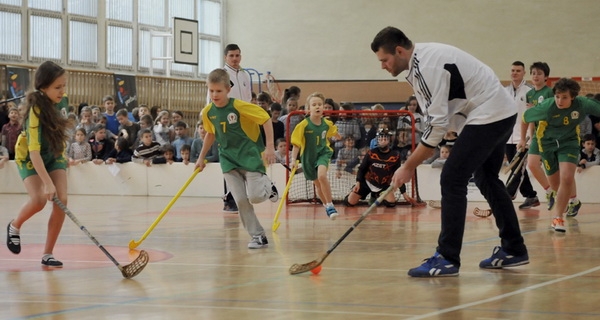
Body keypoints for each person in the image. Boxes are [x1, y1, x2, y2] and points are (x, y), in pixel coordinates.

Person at [371, 26, 529, 277]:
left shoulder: (426, 66)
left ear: (399, 51)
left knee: (452, 178)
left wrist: (408, 166)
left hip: (489, 114)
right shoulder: (420, 62)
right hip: (500, 111)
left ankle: (447, 258)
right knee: (486, 177)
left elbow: (435, 127)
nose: (383, 66)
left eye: (385, 60)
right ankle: (514, 249)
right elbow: (445, 111)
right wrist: (452, 130)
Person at [195, 68, 278, 249]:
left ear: (228, 90)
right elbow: (210, 133)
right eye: (211, 90)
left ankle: (268, 187)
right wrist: (201, 158)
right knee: (240, 200)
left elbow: (265, 118)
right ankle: (258, 235)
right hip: (228, 159)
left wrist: (270, 147)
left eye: (219, 91)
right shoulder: (208, 112)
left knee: (255, 197)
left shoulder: (239, 106)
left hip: (249, 156)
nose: (214, 94)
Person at [7, 61, 70, 267]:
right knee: (38, 200)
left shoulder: (63, 102)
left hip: (53, 154)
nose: (62, 91)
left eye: (63, 86)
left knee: (62, 199)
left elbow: (59, 132)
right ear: (43, 87)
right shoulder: (34, 111)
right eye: (57, 87)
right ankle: (15, 226)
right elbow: (34, 152)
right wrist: (47, 183)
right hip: (29, 156)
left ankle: (48, 254)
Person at [523, 78, 600, 231]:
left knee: (567, 177)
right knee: (556, 184)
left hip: (569, 143)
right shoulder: (547, 106)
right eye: (557, 96)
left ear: (573, 97)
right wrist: (522, 138)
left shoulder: (583, 104)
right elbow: (525, 118)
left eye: (564, 97)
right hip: (547, 144)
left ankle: (558, 218)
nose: (560, 100)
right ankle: (559, 197)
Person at [290, 92, 341, 220]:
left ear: (323, 107)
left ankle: (330, 204)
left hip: (323, 153)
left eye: (320, 104)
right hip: (308, 157)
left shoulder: (327, 123)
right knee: (317, 184)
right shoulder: (303, 125)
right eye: (314, 105)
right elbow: (296, 144)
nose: (317, 107)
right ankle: (326, 205)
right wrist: (293, 160)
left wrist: (339, 137)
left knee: (322, 176)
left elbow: (333, 132)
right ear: (308, 109)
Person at [344, 128, 416, 207]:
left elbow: (398, 175)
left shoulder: (395, 155)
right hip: (367, 183)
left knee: (391, 203)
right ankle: (355, 194)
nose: (382, 141)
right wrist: (358, 183)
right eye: (380, 139)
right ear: (377, 140)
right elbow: (362, 169)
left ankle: (377, 195)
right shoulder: (371, 153)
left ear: (389, 140)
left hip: (384, 186)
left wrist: (404, 193)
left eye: (385, 139)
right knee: (350, 203)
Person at [504, 61, 539, 209]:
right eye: (512, 70)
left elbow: (534, 114)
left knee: (517, 170)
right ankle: (531, 196)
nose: (514, 73)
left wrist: (528, 138)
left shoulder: (530, 91)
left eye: (518, 70)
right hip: (508, 137)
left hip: (524, 137)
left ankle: (505, 197)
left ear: (524, 73)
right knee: (516, 169)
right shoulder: (505, 91)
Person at [523, 62, 556, 210]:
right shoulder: (529, 94)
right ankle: (549, 192)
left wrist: (536, 109)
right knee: (532, 164)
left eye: (539, 73)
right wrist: (529, 138)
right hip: (537, 135)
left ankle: (569, 199)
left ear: (546, 77)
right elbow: (530, 118)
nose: (535, 76)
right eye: (533, 73)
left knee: (553, 169)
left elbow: (551, 114)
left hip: (551, 134)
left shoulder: (550, 93)